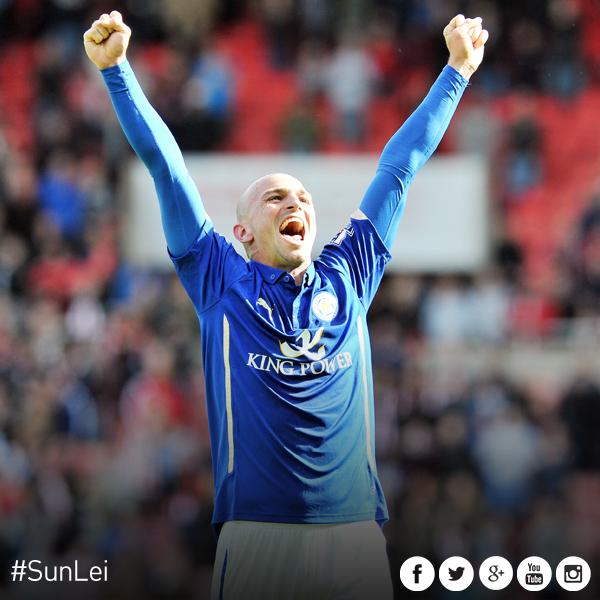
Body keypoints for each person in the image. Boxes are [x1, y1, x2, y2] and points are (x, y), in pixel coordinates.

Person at [83, 10, 488, 600]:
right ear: (242, 232)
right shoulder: (219, 277)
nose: (292, 202)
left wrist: (456, 71)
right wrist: (117, 71)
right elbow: (165, 168)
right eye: (273, 198)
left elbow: (401, 166)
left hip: (354, 535)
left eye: (300, 196)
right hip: (258, 537)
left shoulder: (350, 272)